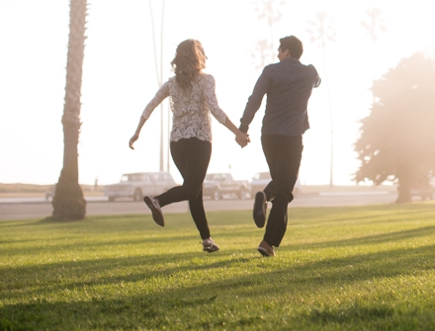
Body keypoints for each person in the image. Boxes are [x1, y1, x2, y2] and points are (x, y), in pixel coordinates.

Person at [129, 39, 250, 252]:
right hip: (199, 142)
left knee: (194, 191)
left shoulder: (170, 84)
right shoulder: (206, 81)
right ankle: (157, 201)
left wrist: (137, 131)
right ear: (197, 56)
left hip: (177, 145)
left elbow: (150, 106)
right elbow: (215, 110)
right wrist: (238, 132)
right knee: (192, 188)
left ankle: (207, 240)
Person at [239, 35, 320, 257]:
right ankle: (268, 243)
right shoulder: (309, 72)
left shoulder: (270, 71)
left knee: (280, 182)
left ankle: (264, 197)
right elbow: (318, 80)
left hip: (269, 137)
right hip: (292, 137)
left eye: (279, 50)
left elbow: (254, 98)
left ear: (286, 52)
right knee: (284, 191)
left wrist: (243, 127)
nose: (277, 54)